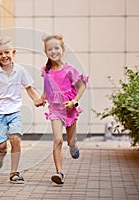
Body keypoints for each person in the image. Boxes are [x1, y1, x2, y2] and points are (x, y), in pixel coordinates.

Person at [0, 37, 44, 184]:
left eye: (7, 52)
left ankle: (14, 173)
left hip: (14, 112)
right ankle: (1, 151)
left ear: (13, 52)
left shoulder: (20, 71)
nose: (4, 56)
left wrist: (37, 99)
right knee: (1, 144)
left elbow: (29, 88)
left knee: (16, 139)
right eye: (0, 54)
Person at [40, 35, 88, 185]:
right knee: (57, 139)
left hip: (70, 109)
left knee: (70, 140)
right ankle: (59, 172)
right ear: (46, 52)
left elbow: (81, 86)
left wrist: (74, 101)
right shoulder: (46, 70)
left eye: (56, 48)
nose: (53, 51)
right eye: (50, 49)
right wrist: (42, 98)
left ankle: (73, 145)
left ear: (63, 49)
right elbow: (47, 89)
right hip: (55, 109)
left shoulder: (69, 70)